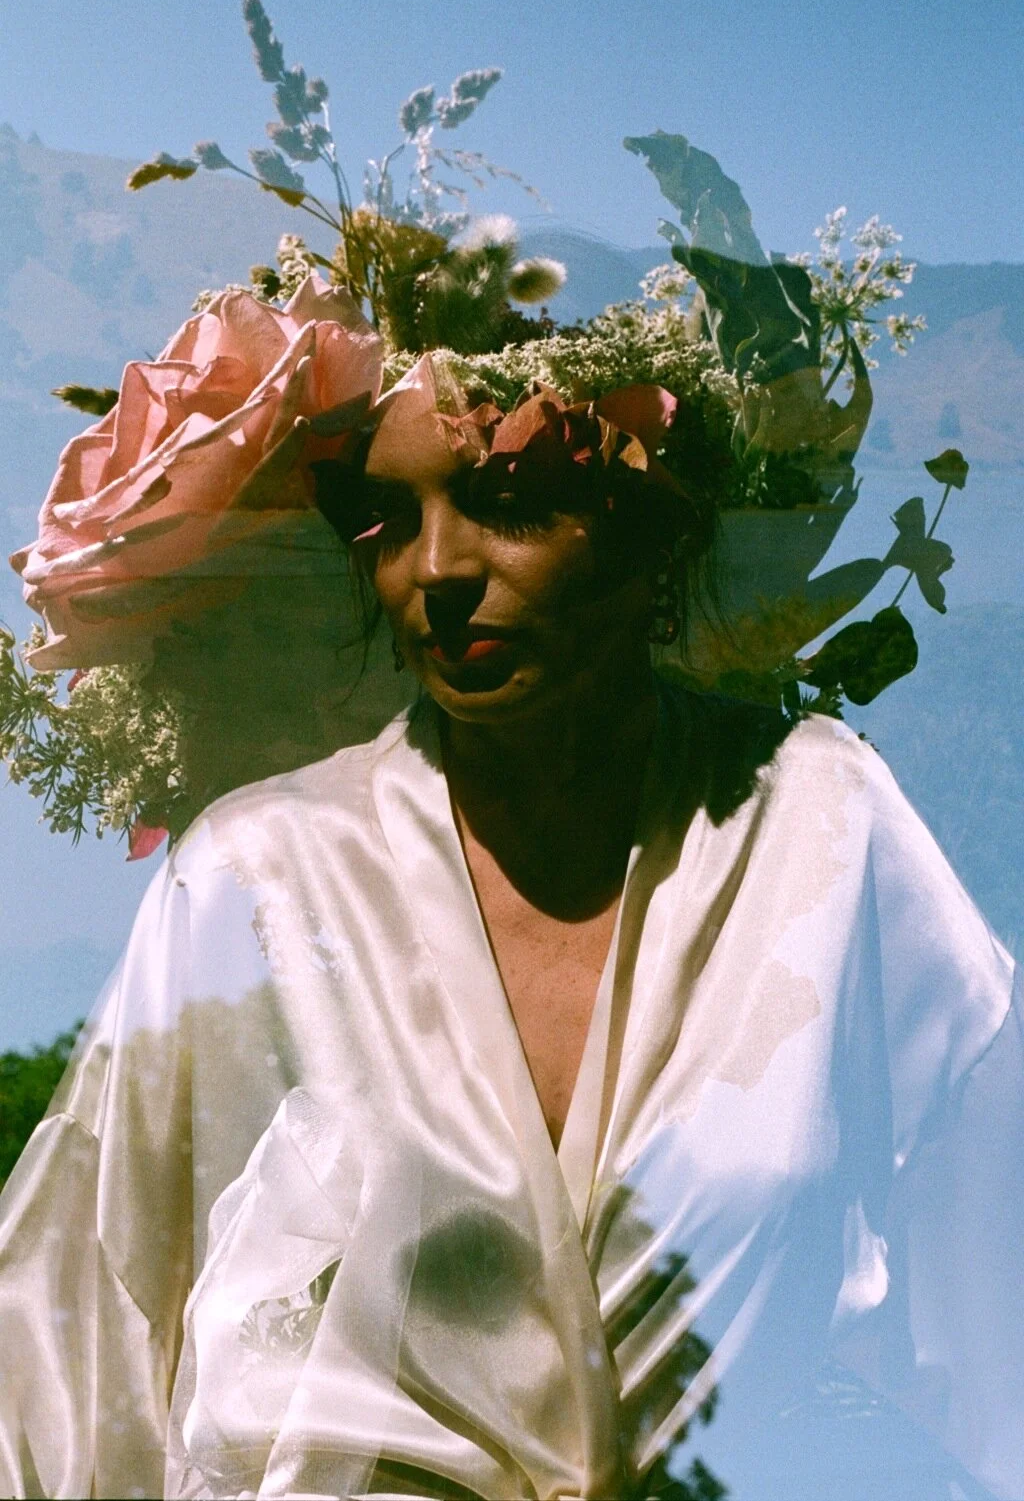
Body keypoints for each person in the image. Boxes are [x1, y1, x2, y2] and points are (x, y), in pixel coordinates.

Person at [0, 350, 1021, 1501]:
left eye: (505, 502)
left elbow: (991, 1287)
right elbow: (74, 1338)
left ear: (649, 527)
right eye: (387, 519)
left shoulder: (819, 822)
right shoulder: (258, 876)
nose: (433, 569)